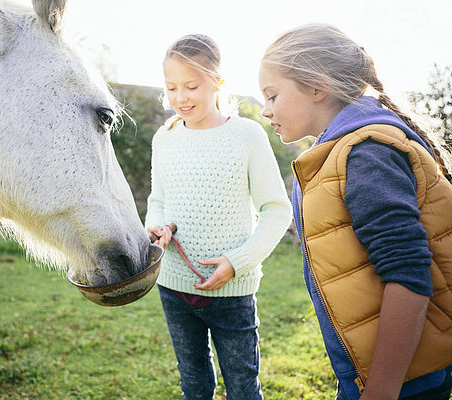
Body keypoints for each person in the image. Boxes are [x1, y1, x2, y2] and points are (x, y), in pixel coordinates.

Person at [258, 23, 452, 400]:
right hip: (381, 371)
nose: (266, 110)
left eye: (272, 96)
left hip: (404, 379)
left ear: (316, 86)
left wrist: (382, 387)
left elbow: (407, 273)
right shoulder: (340, 151)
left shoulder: (366, 153)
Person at [145, 33, 292, 400]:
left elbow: (276, 210)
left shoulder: (247, 136)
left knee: (243, 389)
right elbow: (157, 198)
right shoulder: (164, 138)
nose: (180, 97)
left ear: (218, 82)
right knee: (194, 386)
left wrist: (236, 262)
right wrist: (156, 224)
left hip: (233, 291)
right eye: (172, 87)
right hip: (174, 286)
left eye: (191, 86)